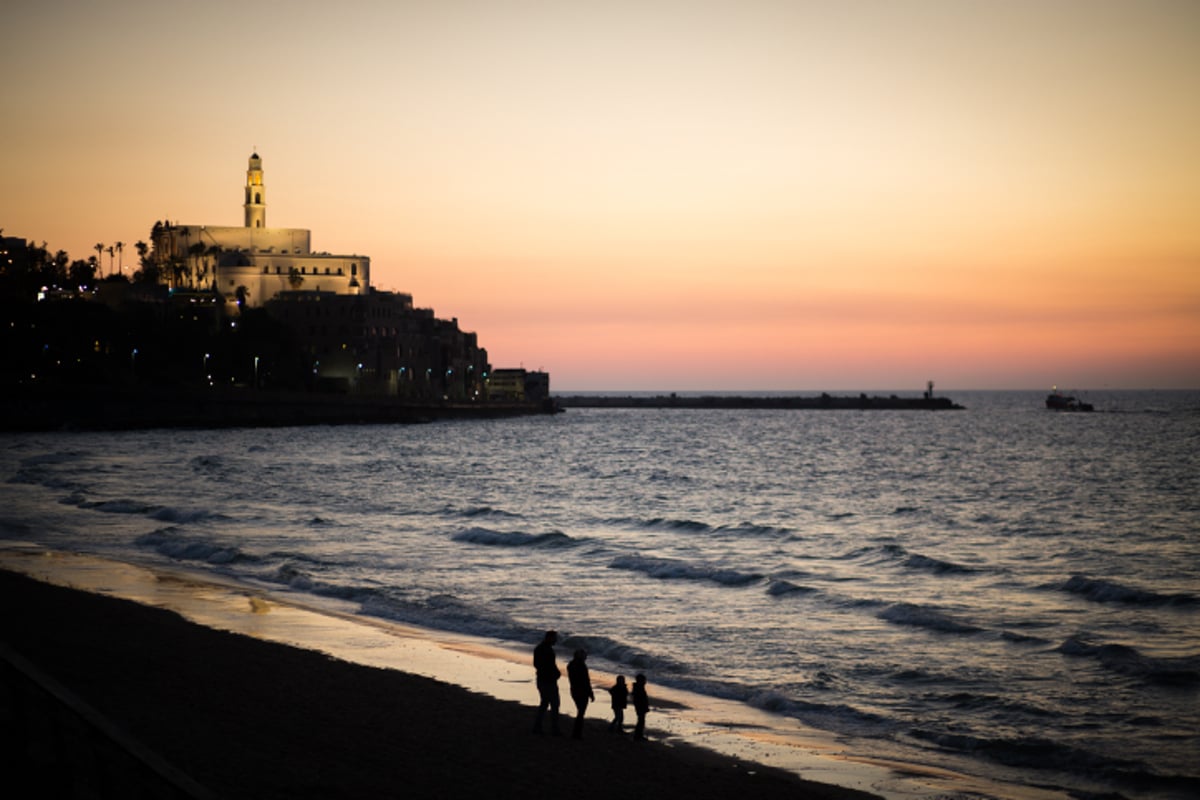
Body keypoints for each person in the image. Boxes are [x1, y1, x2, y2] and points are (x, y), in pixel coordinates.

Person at [532, 630, 561, 735]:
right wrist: (554, 674)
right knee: (554, 704)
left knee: (545, 703)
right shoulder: (546, 649)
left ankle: (538, 726)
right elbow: (547, 665)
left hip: (543, 679)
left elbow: (537, 664)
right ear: (549, 638)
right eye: (555, 638)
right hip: (548, 681)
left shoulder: (540, 648)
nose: (556, 640)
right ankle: (553, 729)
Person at [566, 648, 595, 739]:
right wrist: (591, 693)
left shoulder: (571, 665)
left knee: (580, 711)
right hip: (582, 691)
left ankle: (577, 732)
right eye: (584, 655)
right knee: (581, 712)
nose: (586, 657)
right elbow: (586, 681)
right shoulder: (581, 666)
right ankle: (577, 733)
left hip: (574, 690)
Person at [631, 672, 649, 740]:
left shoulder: (639, 688)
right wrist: (644, 707)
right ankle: (638, 736)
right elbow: (640, 700)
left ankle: (639, 735)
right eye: (644, 680)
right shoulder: (639, 689)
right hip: (640, 708)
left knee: (641, 721)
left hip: (641, 707)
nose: (645, 682)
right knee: (641, 721)